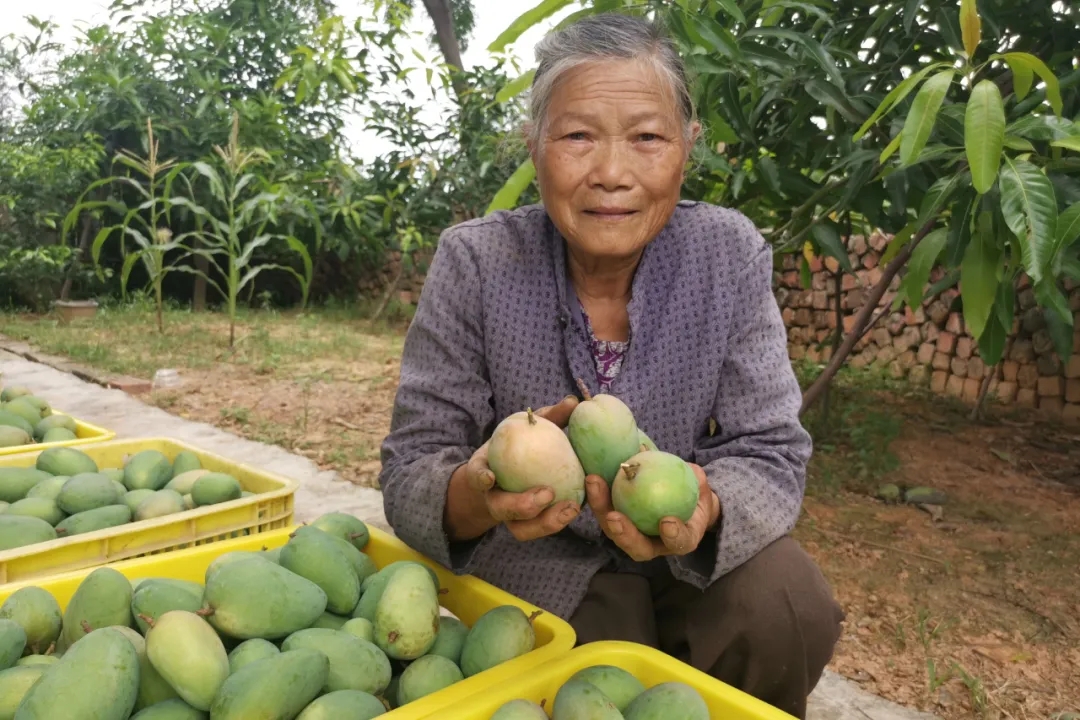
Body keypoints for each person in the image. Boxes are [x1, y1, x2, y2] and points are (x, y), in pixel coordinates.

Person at [379, 12, 844, 719]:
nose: (611, 174)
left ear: (687, 148)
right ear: (533, 146)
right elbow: (413, 462)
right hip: (535, 558)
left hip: (684, 554)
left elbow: (771, 448)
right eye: (577, 136)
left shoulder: (726, 255)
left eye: (647, 138)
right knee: (598, 662)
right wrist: (478, 494)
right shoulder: (476, 262)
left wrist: (707, 505)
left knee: (786, 602)